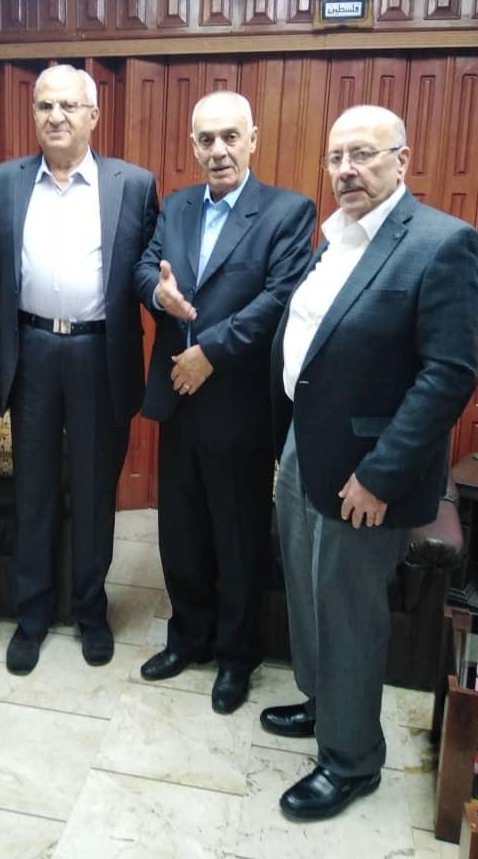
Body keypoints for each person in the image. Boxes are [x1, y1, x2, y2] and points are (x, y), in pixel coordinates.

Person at [261, 105, 478, 819]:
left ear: (402, 160)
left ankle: (352, 760)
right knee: (307, 590)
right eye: (336, 157)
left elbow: (448, 376)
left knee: (349, 611)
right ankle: (326, 705)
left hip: (368, 472)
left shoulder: (441, 243)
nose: (346, 169)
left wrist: (381, 475)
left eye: (363, 154)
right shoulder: (334, 238)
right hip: (305, 445)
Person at [134, 91, 316, 714]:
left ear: (252, 140)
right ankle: (188, 637)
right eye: (207, 139)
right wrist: (158, 296)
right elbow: (144, 268)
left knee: (237, 537)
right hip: (177, 399)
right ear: (193, 146)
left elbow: (280, 297)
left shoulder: (288, 211)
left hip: (238, 404)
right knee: (180, 531)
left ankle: (237, 656)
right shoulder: (178, 206)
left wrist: (210, 352)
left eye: (230, 137)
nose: (218, 150)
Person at [0, 64, 158, 675]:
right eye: (44, 106)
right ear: (33, 114)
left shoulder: (133, 185)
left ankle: (89, 610)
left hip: (98, 354)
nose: (55, 116)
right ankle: (31, 616)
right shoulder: (6, 181)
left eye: (68, 106)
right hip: (30, 350)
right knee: (31, 489)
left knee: (93, 491)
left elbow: (151, 267)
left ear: (93, 115)